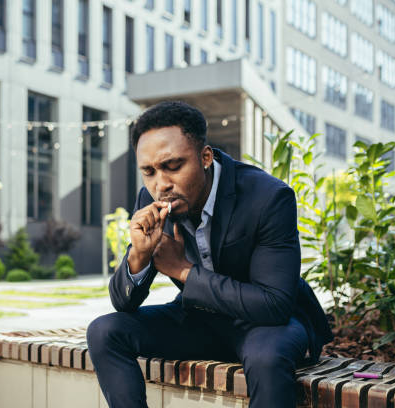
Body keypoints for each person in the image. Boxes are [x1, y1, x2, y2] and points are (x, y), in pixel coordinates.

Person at [86, 101, 332, 408]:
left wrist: (183, 270)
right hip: (199, 318)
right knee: (104, 331)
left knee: (266, 359)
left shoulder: (268, 197)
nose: (161, 184)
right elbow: (123, 301)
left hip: (265, 324)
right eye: (148, 172)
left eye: (173, 166)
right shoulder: (150, 198)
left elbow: (275, 304)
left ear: (205, 157)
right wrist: (139, 255)